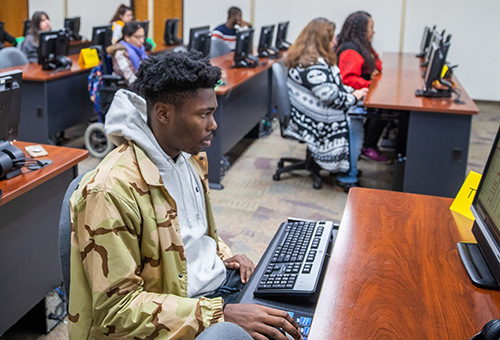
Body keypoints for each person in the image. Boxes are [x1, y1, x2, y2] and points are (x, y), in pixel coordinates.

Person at [68, 50, 302, 340]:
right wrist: (221, 314)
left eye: (212, 112)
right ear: (163, 113)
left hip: (210, 294)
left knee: (295, 310)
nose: (213, 124)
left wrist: (224, 254)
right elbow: (116, 309)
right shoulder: (112, 190)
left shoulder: (188, 156)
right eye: (204, 114)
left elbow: (191, 235)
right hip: (178, 316)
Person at [284, 17, 367, 192]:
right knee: (354, 120)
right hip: (308, 118)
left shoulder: (315, 59)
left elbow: (335, 85)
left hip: (310, 110)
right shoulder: (311, 66)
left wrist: (354, 91)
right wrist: (355, 97)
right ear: (322, 40)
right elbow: (331, 97)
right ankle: (346, 177)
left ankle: (345, 167)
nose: (335, 40)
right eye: (331, 37)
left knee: (355, 112)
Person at [336, 11, 389, 163]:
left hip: (362, 91)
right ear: (361, 29)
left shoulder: (362, 46)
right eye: (371, 27)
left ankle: (368, 144)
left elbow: (377, 66)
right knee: (384, 108)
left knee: (385, 106)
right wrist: (370, 85)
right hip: (353, 95)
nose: (373, 31)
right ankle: (368, 146)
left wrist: (373, 68)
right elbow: (348, 80)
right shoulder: (350, 49)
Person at [106, 21, 149, 86]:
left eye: (143, 37)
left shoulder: (140, 50)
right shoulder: (120, 53)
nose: (142, 41)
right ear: (127, 38)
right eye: (138, 37)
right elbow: (131, 79)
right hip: (126, 89)